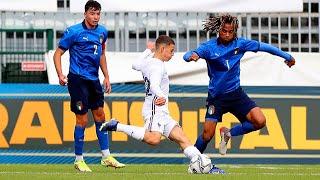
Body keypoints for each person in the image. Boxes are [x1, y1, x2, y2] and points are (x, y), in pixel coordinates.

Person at [99, 35, 225, 174]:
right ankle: (117, 125)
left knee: (182, 138)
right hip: (155, 108)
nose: (172, 54)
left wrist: (148, 51)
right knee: (153, 139)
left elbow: (135, 65)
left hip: (161, 111)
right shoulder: (157, 66)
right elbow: (154, 85)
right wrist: (161, 96)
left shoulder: (149, 61)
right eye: (171, 51)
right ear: (163, 48)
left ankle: (206, 166)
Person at [183, 14, 296, 155]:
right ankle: (194, 161)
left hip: (236, 94)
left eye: (231, 31)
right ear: (219, 30)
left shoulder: (240, 44)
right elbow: (188, 54)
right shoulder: (209, 47)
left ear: (235, 31)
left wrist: (287, 56)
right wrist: (191, 56)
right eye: (224, 31)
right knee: (207, 135)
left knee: (260, 121)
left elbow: (265, 47)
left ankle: (228, 133)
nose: (227, 34)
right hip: (216, 98)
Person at [53, 0, 124, 172]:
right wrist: (60, 74)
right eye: (92, 13)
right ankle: (79, 160)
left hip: (94, 80)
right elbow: (58, 53)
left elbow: (101, 54)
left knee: (100, 116)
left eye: (98, 13)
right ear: (85, 14)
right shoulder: (73, 31)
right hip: (77, 80)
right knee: (82, 119)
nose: (95, 17)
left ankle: (106, 157)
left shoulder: (102, 32)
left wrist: (106, 76)